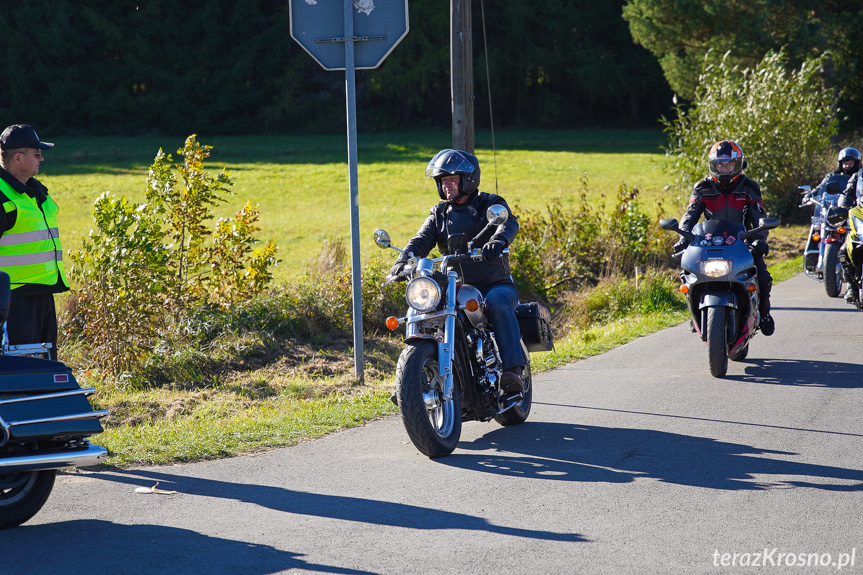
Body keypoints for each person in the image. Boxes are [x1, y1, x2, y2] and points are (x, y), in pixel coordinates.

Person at [390, 149, 525, 395]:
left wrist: (498, 241)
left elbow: (508, 222)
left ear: (468, 180)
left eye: (452, 180)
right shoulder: (439, 214)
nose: (447, 186)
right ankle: (411, 380)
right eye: (443, 181)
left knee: (496, 302)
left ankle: (513, 370)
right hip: (455, 288)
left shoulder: (489, 203)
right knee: (422, 308)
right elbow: (421, 240)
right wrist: (404, 260)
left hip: (494, 284)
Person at [673, 140, 775, 335]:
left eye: (729, 164)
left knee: (763, 276)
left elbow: (759, 216)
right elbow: (690, 214)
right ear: (713, 165)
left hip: (742, 243)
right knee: (688, 275)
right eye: (720, 164)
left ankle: (764, 313)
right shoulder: (703, 187)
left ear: (738, 164)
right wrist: (683, 237)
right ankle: (695, 315)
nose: (725, 169)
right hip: (709, 242)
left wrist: (759, 240)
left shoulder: (749, 187)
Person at [0, 124, 68, 360]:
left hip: (42, 292)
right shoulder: (2, 195)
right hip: (14, 301)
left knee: (45, 365)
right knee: (20, 369)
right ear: (18, 158)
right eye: (37, 153)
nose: (42, 158)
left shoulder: (33, 190)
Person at [803, 147, 861, 273]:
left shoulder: (859, 177)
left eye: (850, 162)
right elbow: (821, 187)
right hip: (834, 211)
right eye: (844, 163)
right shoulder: (832, 175)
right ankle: (811, 259)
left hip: (852, 211)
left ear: (856, 163)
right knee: (816, 227)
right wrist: (810, 195)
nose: (847, 165)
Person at [837, 150, 863, 304]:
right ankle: (852, 286)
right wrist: (843, 206)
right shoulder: (858, 176)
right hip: (861, 214)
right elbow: (847, 195)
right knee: (843, 251)